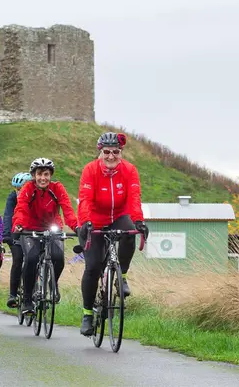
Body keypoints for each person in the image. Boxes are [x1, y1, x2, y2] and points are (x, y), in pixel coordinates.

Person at [77, 132, 149, 336]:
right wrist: (87, 222)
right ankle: (87, 314)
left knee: (129, 233)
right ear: (100, 152)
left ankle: (122, 276)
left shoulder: (129, 170)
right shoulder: (90, 170)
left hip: (118, 215)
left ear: (121, 152)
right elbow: (85, 199)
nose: (111, 156)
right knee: (92, 268)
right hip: (93, 220)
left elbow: (134, 198)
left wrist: (139, 221)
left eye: (115, 152)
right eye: (106, 152)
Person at [12, 158, 78, 314]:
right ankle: (27, 300)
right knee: (32, 258)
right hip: (29, 229)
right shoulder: (28, 189)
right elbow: (21, 208)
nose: (43, 178)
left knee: (58, 257)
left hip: (52, 228)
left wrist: (76, 227)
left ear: (51, 175)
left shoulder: (57, 188)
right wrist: (19, 225)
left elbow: (67, 209)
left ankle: (52, 283)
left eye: (46, 174)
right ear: (34, 175)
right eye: (39, 174)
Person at [3, 172, 32, 308]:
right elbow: (8, 215)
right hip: (16, 233)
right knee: (18, 259)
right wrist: (7, 235)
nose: (19, 191)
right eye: (17, 188)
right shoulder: (12, 197)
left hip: (32, 232)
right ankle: (13, 295)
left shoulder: (36, 195)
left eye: (22, 187)